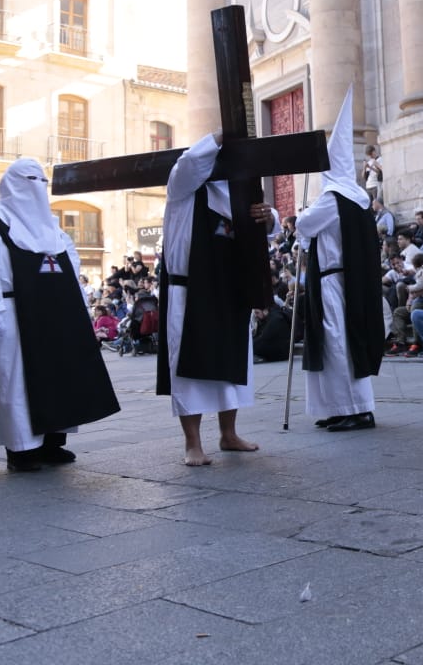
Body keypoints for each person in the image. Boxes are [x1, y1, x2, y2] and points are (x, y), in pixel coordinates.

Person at [0, 158, 121, 472]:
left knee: (58, 377)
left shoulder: (51, 227)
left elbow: (71, 267)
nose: (38, 186)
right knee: (15, 381)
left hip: (54, 314)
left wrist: (78, 308)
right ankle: (21, 450)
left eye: (42, 180)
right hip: (10, 314)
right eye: (30, 179)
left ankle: (51, 442)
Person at [158, 133, 275, 465]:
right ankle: (192, 443)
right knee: (188, 371)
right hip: (189, 293)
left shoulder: (238, 195)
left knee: (230, 368)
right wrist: (221, 135)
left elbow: (268, 225)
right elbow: (188, 163)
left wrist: (268, 218)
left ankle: (229, 434)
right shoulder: (183, 189)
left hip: (229, 291)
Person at [296, 91, 386, 430]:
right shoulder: (357, 198)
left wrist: (304, 211)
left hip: (333, 280)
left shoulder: (333, 198)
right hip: (345, 278)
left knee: (336, 343)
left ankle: (355, 409)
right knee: (340, 341)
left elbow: (305, 224)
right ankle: (339, 406)